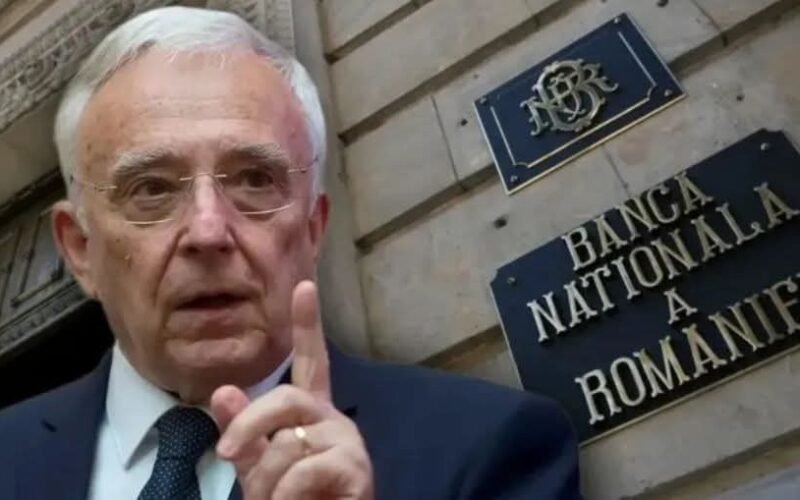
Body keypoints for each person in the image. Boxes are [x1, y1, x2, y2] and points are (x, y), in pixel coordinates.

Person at [0, 6, 580, 499]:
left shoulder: (489, 446)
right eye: (151, 188)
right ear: (79, 249)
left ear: (313, 227)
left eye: (254, 179)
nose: (208, 231)